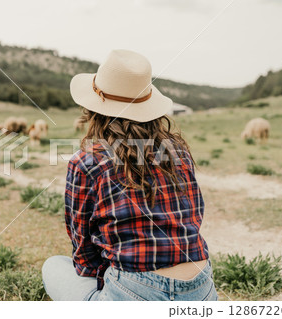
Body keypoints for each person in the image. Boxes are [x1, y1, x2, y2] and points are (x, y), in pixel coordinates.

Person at [42, 50, 218, 301]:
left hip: (135, 291)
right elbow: (194, 216)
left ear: (94, 109)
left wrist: (105, 274)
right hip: (200, 288)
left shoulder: (87, 161)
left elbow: (83, 251)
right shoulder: (178, 151)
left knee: (53, 266)